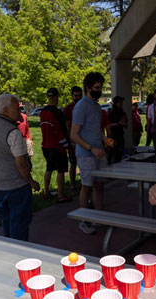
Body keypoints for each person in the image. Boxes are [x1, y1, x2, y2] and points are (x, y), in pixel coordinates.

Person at [0, 94, 40, 241]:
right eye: (17, 109)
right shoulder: (13, 132)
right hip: (17, 187)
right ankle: (20, 255)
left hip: (0, 186)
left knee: (6, 223)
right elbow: (20, 163)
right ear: (6, 111)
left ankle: (10, 250)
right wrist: (32, 182)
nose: (19, 113)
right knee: (19, 225)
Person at [71, 72, 107, 235]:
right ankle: (84, 220)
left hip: (99, 152)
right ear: (88, 87)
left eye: (100, 87)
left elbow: (96, 127)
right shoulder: (81, 106)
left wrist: (104, 139)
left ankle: (98, 217)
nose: (99, 90)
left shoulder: (97, 106)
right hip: (86, 154)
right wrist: (91, 148)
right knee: (87, 186)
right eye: (96, 88)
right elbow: (74, 135)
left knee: (99, 185)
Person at [40, 88, 72, 203]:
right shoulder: (57, 112)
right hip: (57, 146)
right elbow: (60, 131)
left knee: (49, 168)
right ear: (57, 97)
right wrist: (67, 145)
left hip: (45, 145)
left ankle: (46, 192)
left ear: (48, 97)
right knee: (61, 170)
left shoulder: (43, 112)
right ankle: (60, 194)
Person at [63, 86, 83, 193]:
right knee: (73, 163)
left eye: (80, 95)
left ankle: (83, 184)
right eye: (76, 95)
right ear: (72, 96)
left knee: (83, 162)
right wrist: (71, 140)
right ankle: (73, 185)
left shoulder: (84, 106)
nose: (78, 97)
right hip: (73, 140)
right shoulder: (68, 109)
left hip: (84, 139)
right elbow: (67, 127)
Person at [107, 96, 127, 164]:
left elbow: (126, 125)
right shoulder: (110, 113)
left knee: (119, 155)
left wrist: (124, 124)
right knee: (110, 155)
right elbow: (108, 125)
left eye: (122, 103)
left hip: (120, 136)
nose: (121, 104)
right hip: (111, 136)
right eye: (120, 102)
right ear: (115, 103)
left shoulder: (123, 113)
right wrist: (118, 124)